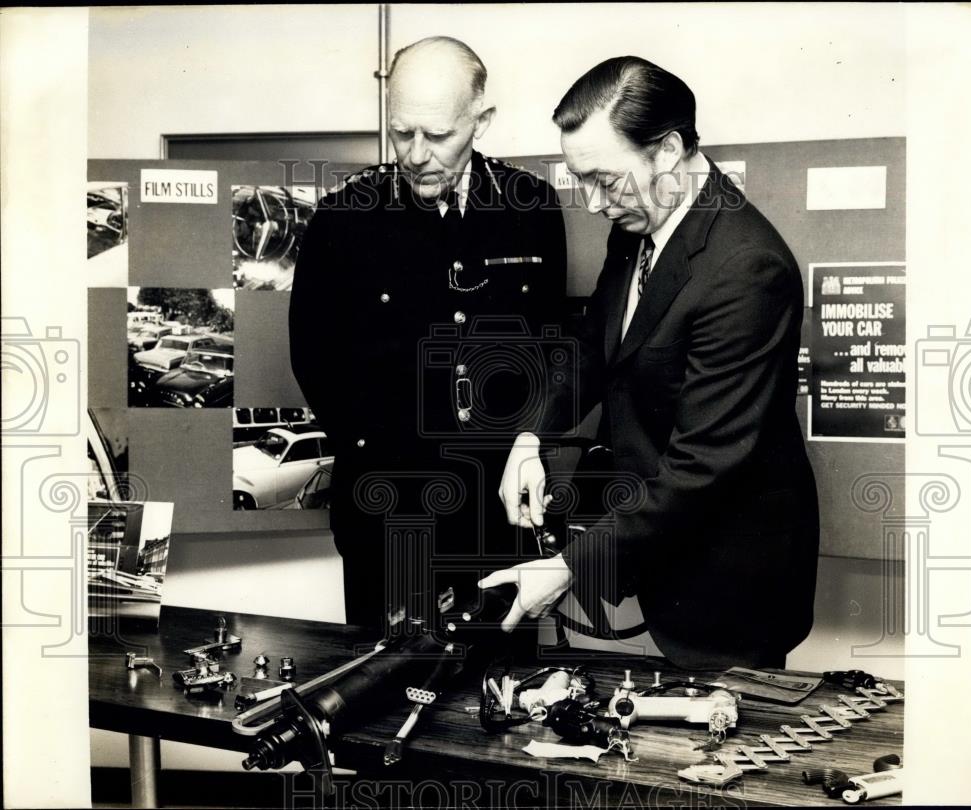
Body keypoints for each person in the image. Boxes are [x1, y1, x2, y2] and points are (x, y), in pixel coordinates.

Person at [484, 56, 819, 669]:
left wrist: (567, 568)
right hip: (657, 558)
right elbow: (595, 346)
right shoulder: (640, 222)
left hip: (729, 586)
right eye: (580, 180)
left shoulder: (748, 269)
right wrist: (529, 438)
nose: (592, 202)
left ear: (667, 150)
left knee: (713, 761)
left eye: (605, 180)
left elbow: (703, 466)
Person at [289, 37, 567, 631]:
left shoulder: (531, 209)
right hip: (388, 515)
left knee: (502, 702)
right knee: (381, 701)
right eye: (401, 133)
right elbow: (315, 360)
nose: (415, 155)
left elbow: (545, 347)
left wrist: (524, 447)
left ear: (481, 121)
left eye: (437, 136)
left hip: (496, 517)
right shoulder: (343, 219)